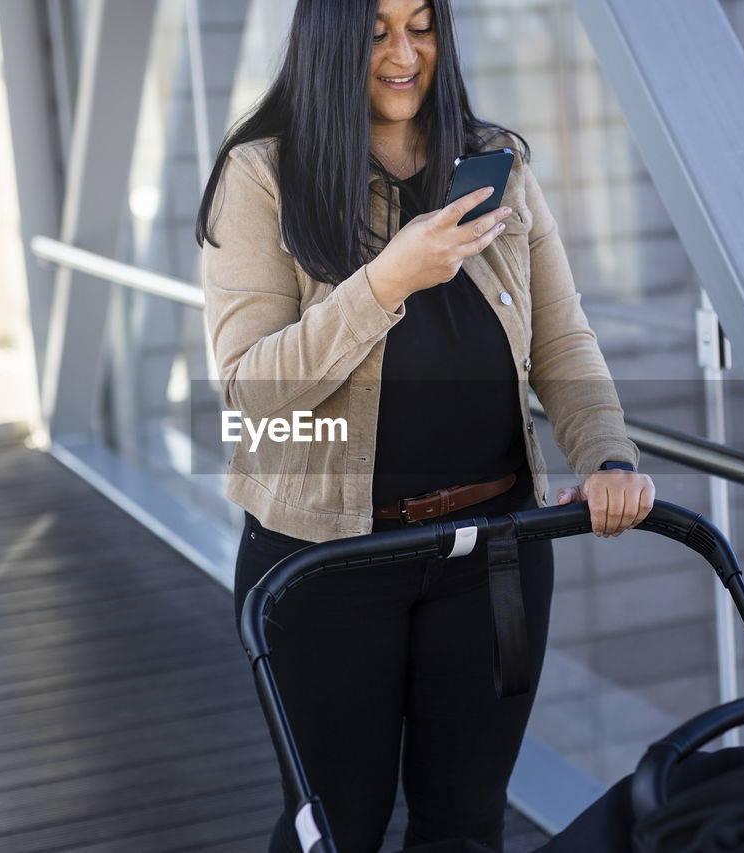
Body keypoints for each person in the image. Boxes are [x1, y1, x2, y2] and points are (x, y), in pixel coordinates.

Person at [196, 0, 654, 849]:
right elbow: (250, 391)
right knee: (336, 827)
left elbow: (562, 338)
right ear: (332, 38)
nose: (404, 53)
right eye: (376, 30)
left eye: (422, 24)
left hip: (497, 556)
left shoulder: (497, 163)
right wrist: (385, 282)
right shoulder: (262, 175)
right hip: (326, 562)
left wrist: (610, 454)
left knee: (467, 821)